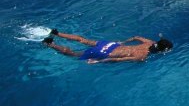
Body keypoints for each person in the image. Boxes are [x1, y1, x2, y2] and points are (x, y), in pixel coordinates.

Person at [42, 29, 173, 64]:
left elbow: (136, 36)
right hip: (106, 53)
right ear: (161, 50)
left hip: (110, 44)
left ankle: (56, 33)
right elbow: (117, 60)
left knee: (83, 40)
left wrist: (122, 42)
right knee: (73, 54)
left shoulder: (149, 42)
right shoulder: (142, 56)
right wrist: (98, 61)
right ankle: (50, 43)